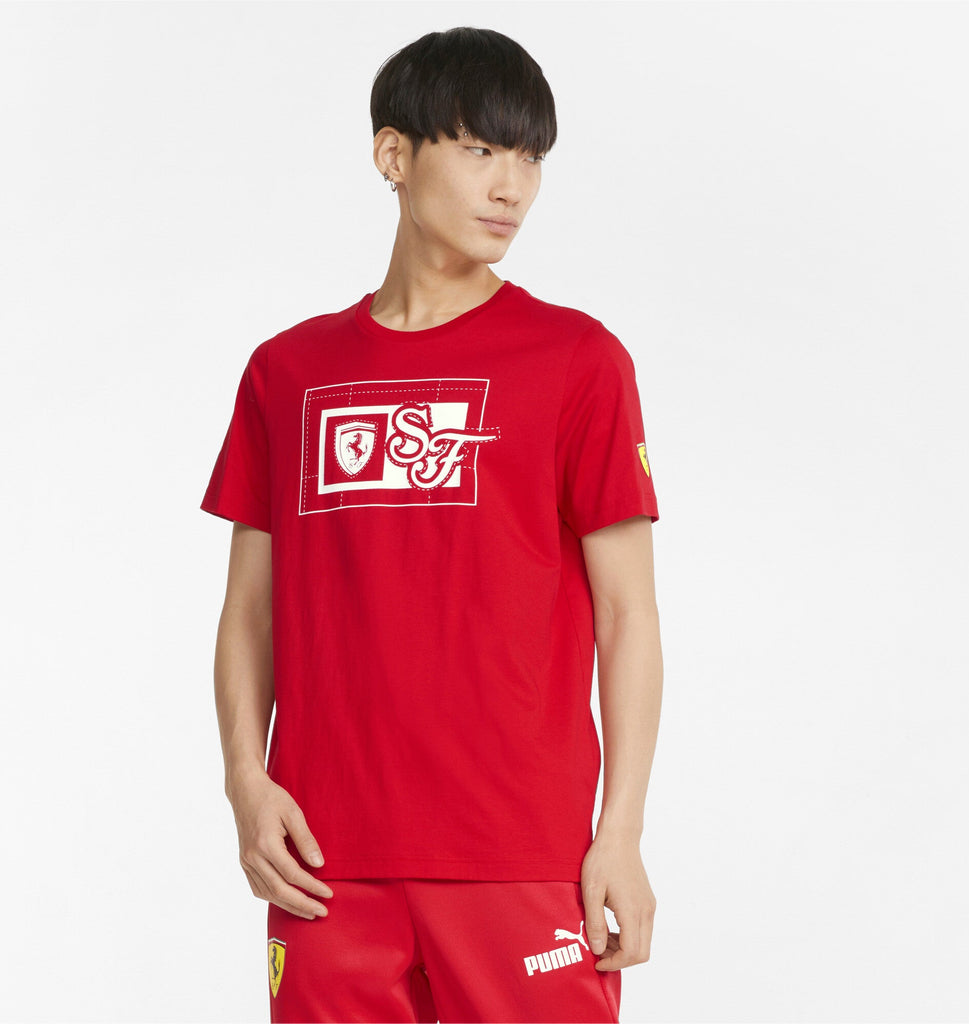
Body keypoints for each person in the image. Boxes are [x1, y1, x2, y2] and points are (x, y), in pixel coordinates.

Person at [201, 25, 664, 1024]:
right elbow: (249, 612)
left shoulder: (578, 361)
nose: (512, 188)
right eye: (481, 149)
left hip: (521, 855)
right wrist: (245, 781)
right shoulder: (288, 372)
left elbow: (628, 615)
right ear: (394, 154)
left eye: (530, 158)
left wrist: (619, 830)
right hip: (324, 861)